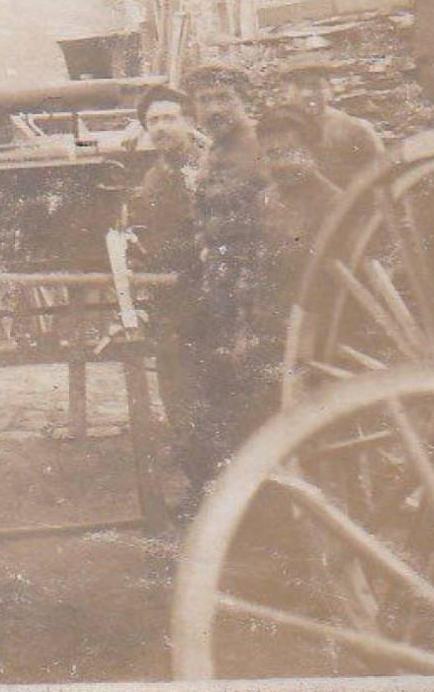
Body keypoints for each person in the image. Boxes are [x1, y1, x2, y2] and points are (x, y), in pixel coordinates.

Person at [180, 62, 276, 479]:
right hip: (220, 289)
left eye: (224, 98)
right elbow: (202, 217)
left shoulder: (263, 146)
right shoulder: (210, 152)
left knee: (257, 394)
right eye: (205, 101)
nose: (214, 108)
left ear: (243, 101)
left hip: (259, 292)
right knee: (223, 392)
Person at [126, 85, 211, 493]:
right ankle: (202, 489)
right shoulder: (152, 178)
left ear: (191, 121)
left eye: (169, 118)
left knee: (218, 398)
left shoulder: (211, 166)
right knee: (179, 400)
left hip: (214, 300)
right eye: (153, 121)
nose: (160, 127)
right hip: (171, 305)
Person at [272, 53, 385, 191]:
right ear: (286, 92)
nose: (307, 93)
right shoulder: (278, 132)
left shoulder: (354, 129)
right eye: (299, 86)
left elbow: (382, 176)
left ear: (328, 90)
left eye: (315, 86)